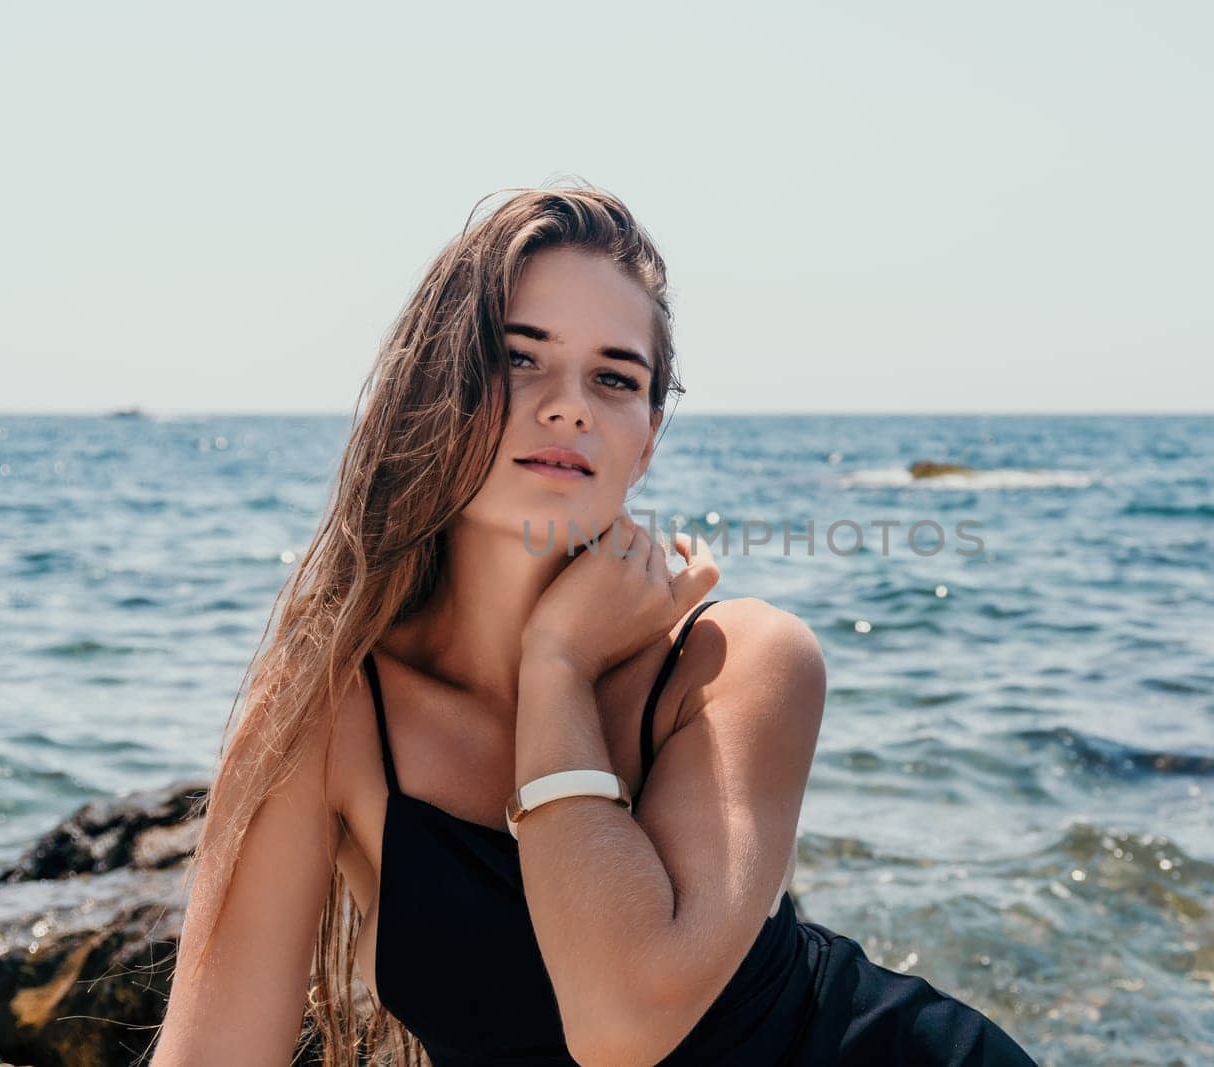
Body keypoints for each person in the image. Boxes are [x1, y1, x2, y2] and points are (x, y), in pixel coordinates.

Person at [149, 181, 1040, 1066]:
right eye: (520, 357)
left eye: (615, 377)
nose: (569, 404)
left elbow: (624, 1024)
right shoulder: (331, 711)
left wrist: (557, 665)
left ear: (646, 439)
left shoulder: (738, 665)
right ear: (435, 386)